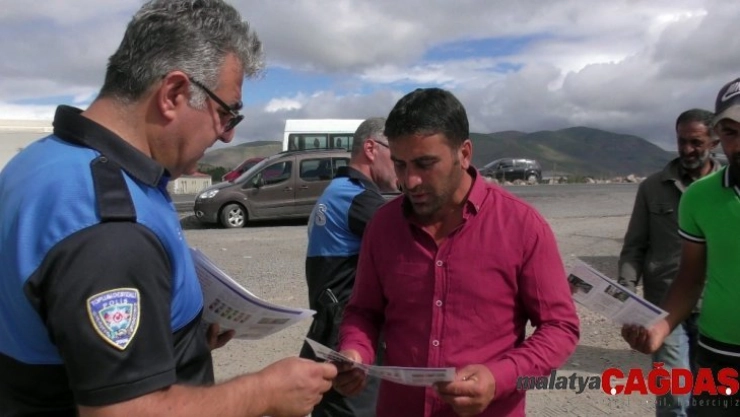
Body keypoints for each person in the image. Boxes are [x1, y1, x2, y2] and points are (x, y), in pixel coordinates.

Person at [0, 1, 336, 416]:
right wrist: (264, 392)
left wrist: (178, 338)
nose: (227, 137)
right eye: (227, 114)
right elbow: (122, 412)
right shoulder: (111, 225)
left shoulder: (41, 162)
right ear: (174, 94)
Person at [333, 88, 580, 417]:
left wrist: (498, 378)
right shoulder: (382, 227)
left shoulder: (522, 226)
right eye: (400, 165)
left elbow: (560, 327)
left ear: (463, 154)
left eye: (425, 164)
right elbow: (363, 311)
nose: (410, 181)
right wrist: (355, 352)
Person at [623, 78, 740, 416]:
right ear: (721, 136)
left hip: (704, 322)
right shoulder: (698, 198)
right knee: (675, 398)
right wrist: (656, 326)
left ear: (709, 142)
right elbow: (689, 277)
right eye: (731, 132)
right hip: (717, 350)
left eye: (696, 142)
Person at [300, 117, 397, 417]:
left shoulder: (337, 190)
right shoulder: (357, 198)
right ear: (371, 148)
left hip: (330, 331)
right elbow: (412, 246)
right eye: (396, 153)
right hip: (348, 337)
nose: (401, 165)